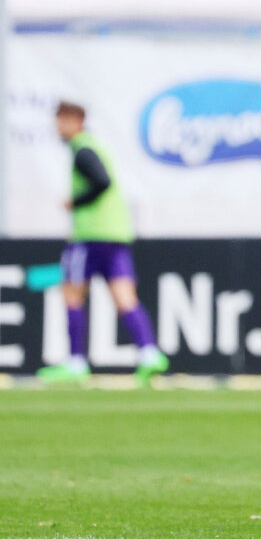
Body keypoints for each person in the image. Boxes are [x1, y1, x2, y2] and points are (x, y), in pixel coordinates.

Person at [38, 101, 169, 385]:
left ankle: (76, 362)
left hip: (91, 235)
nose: (58, 127)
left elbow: (101, 181)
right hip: (116, 234)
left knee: (72, 293)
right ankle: (149, 354)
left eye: (62, 121)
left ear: (76, 120)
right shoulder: (96, 145)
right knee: (125, 297)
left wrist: (75, 202)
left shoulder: (82, 149)